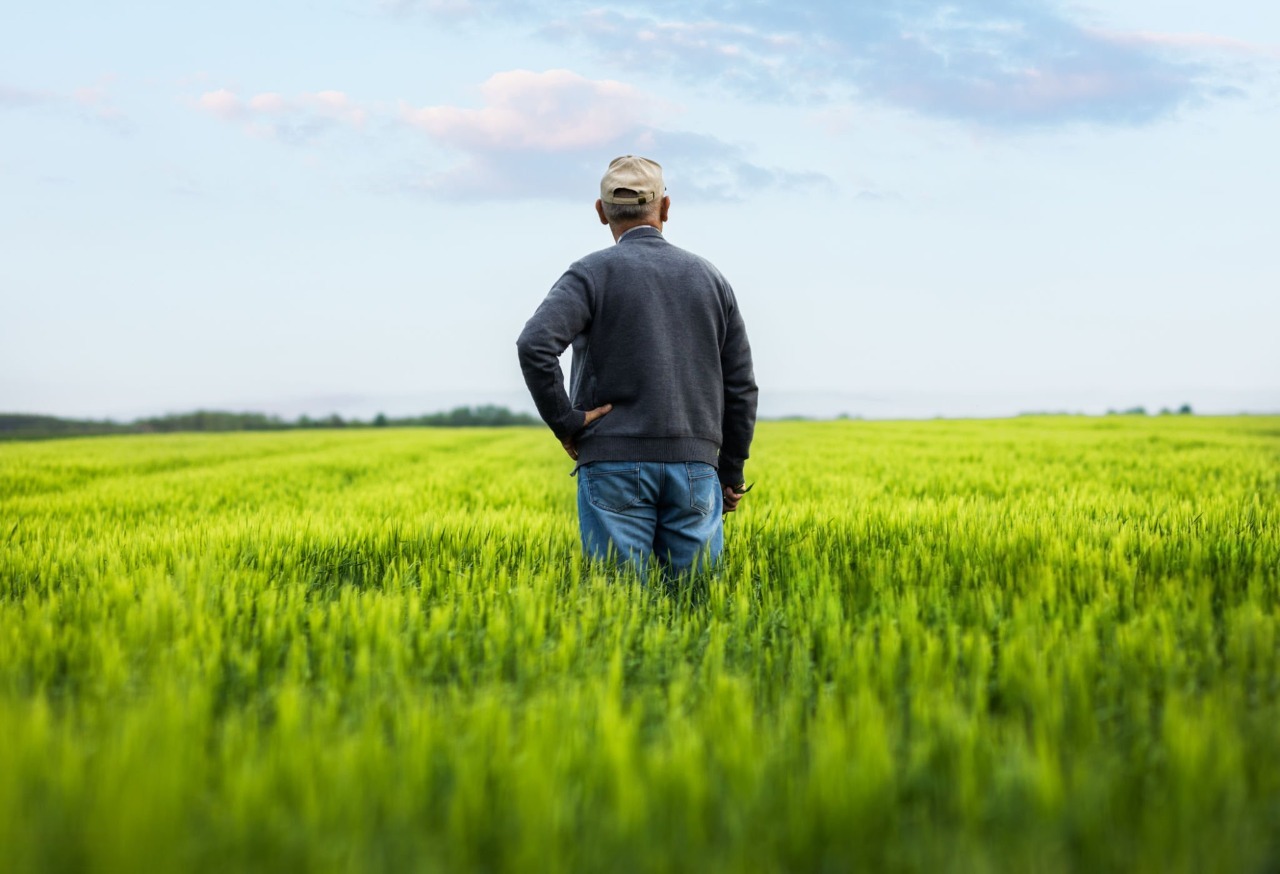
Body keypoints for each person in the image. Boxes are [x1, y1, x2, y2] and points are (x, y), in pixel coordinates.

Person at [516, 155, 758, 579]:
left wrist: (567, 422)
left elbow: (535, 344)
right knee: (697, 605)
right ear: (666, 207)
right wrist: (730, 471)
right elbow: (740, 386)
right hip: (696, 467)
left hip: (612, 461)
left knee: (622, 609)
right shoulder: (710, 279)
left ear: (600, 211)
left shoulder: (589, 274)